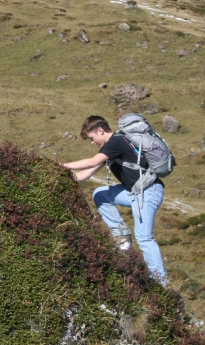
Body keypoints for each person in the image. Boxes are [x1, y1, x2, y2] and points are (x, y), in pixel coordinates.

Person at [63, 115, 168, 286]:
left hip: (148, 192)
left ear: (100, 130)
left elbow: (92, 162)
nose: (92, 142)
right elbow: (87, 173)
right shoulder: (110, 149)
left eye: (92, 138)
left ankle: (160, 282)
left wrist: (63, 166)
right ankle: (122, 237)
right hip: (135, 193)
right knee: (100, 194)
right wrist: (60, 177)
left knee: (144, 237)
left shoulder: (117, 141)